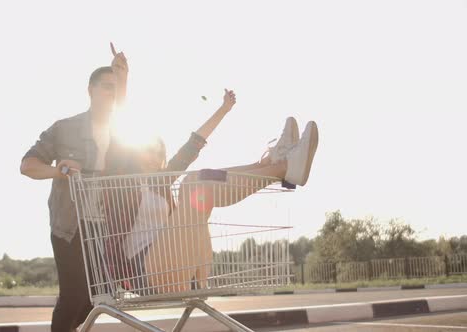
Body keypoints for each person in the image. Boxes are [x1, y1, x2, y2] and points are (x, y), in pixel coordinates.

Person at [105, 92, 318, 294]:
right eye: (146, 152)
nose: (152, 158)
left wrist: (223, 109)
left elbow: (192, 146)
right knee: (193, 183)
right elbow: (114, 140)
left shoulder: (161, 184)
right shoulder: (122, 184)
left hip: (183, 266)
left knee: (195, 181)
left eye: (157, 153)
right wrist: (121, 79)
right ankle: (282, 168)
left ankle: (270, 164)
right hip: (146, 272)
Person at [20, 43, 128, 332]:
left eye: (115, 88)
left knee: (98, 298)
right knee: (74, 295)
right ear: (90, 90)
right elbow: (27, 165)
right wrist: (58, 170)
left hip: (105, 225)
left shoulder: (123, 132)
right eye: (106, 86)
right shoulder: (64, 128)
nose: (112, 92)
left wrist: (124, 78)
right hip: (70, 223)